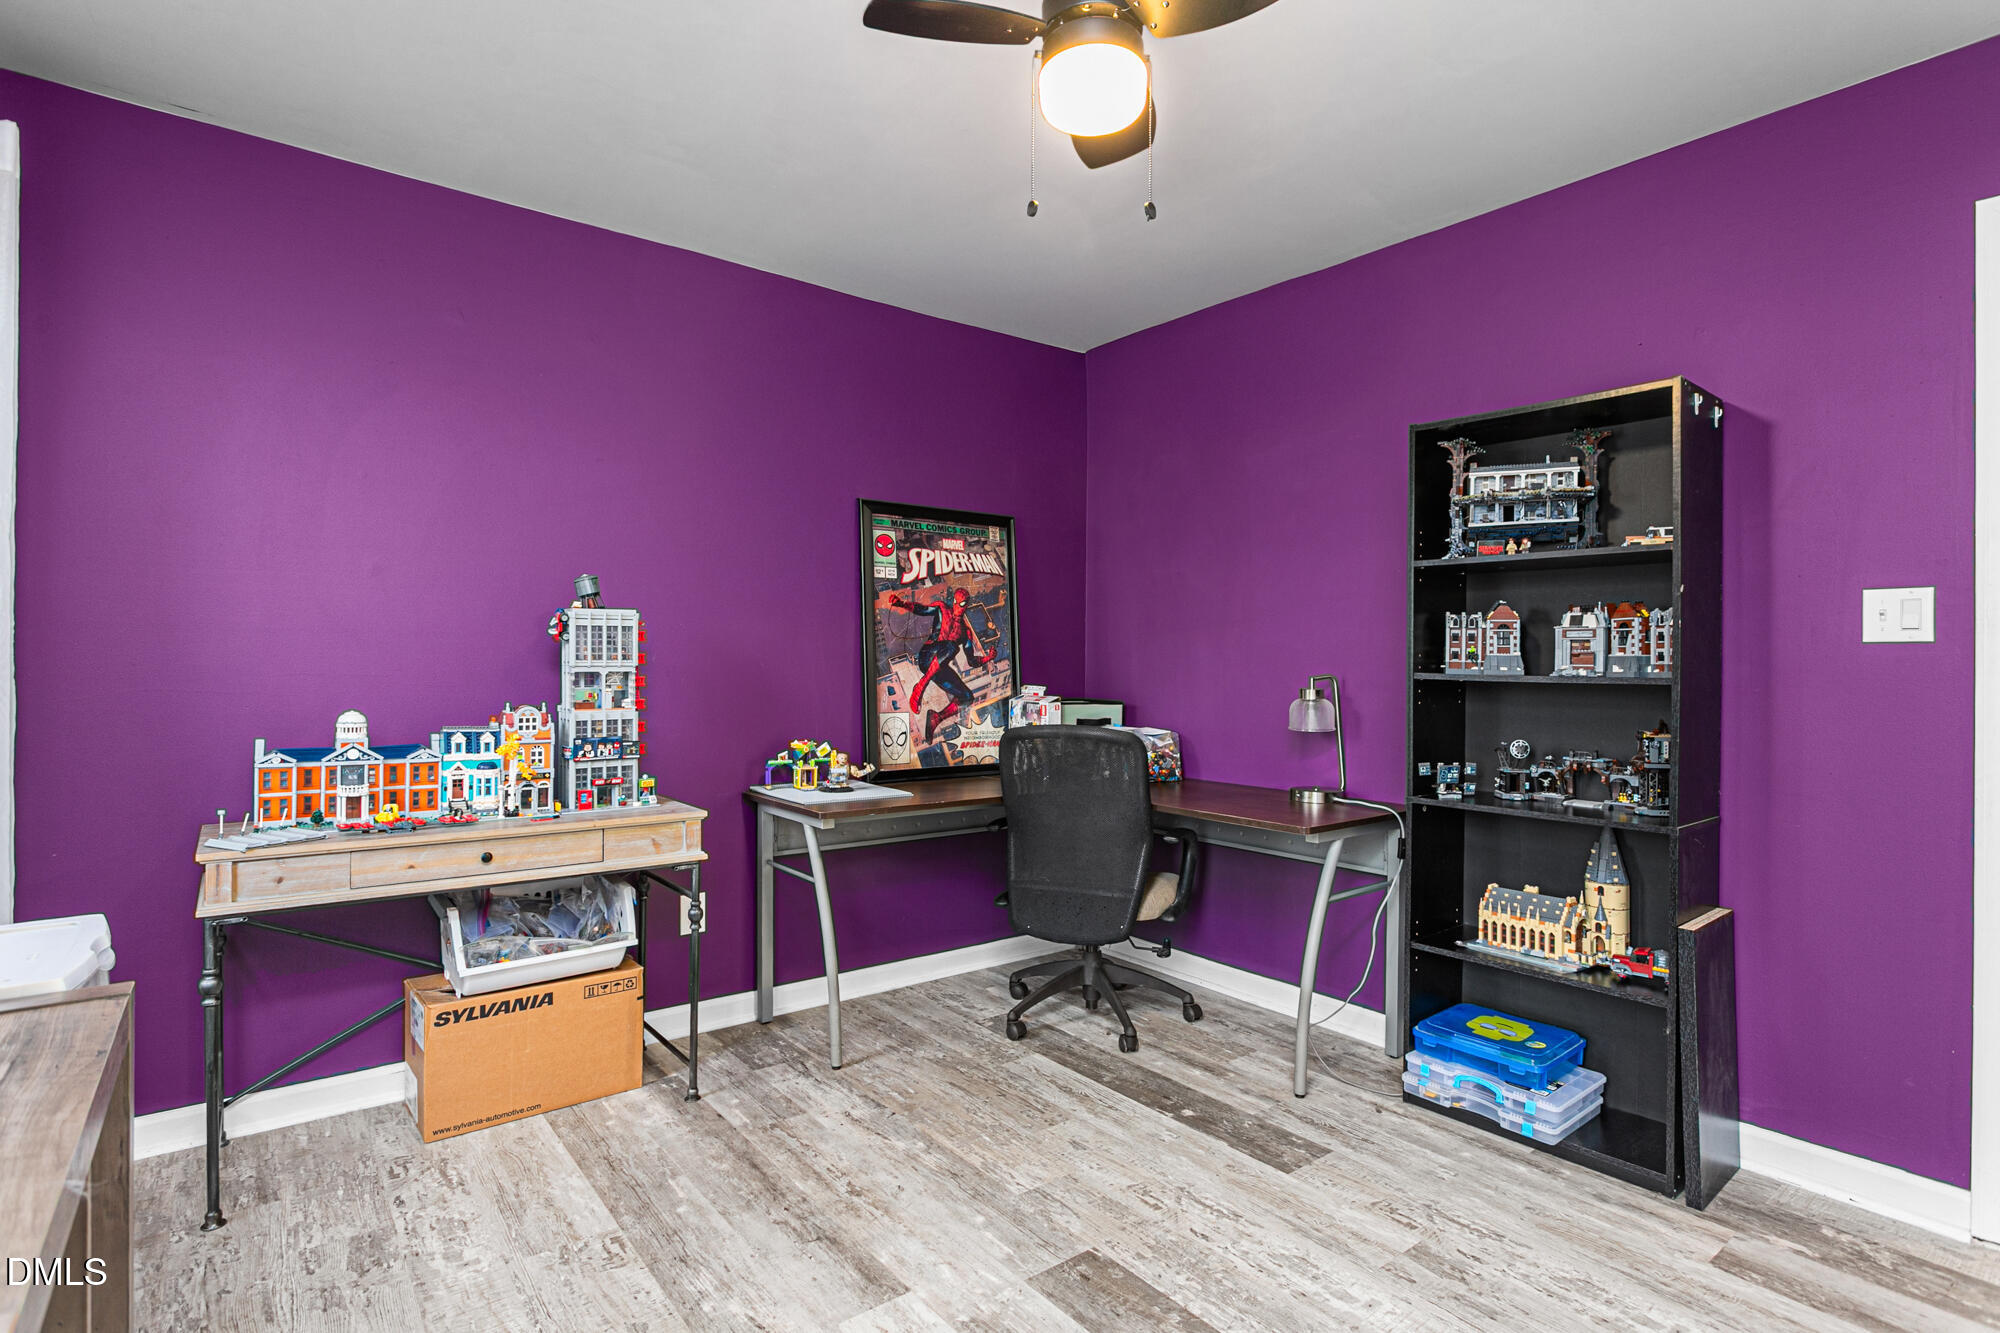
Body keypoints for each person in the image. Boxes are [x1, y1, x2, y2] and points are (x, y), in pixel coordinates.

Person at [890, 586, 992, 744]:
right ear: (953, 601)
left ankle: (936, 718)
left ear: (966, 605)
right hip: (927, 656)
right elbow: (922, 609)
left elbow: (972, 661)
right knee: (951, 646)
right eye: (956, 602)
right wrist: (901, 604)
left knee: (967, 696)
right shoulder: (942, 608)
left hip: (938, 667)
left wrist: (988, 658)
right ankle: (920, 686)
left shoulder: (965, 632)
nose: (957, 607)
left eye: (962, 604)